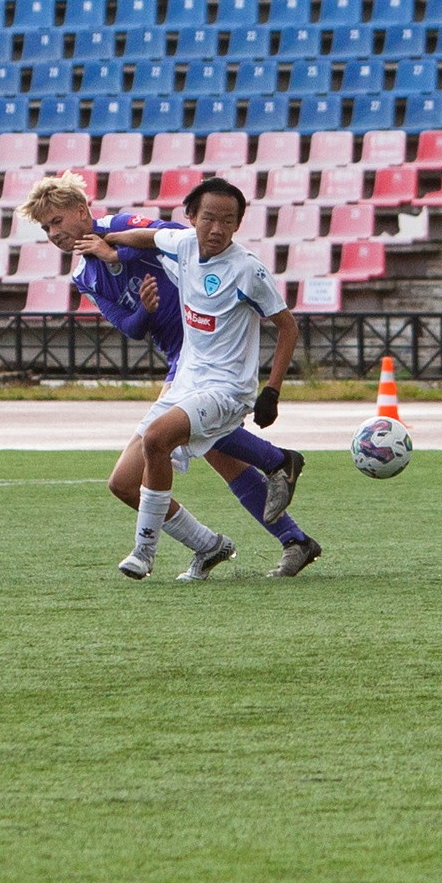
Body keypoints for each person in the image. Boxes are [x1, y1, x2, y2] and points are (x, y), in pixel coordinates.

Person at [24, 171, 322, 579]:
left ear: (80, 211)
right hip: (183, 362)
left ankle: (285, 519)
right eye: (46, 228)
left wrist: (116, 253)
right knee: (132, 481)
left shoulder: (122, 227)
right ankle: (217, 543)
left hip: (206, 352)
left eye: (57, 221)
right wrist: (144, 309)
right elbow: (130, 327)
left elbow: (179, 235)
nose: (53, 233)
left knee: (190, 447)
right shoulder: (82, 276)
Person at [91, 176, 299, 582]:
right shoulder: (183, 243)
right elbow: (145, 237)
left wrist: (272, 390)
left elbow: (287, 327)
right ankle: (262, 483)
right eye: (208, 218)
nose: (217, 229)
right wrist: (109, 243)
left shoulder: (247, 269)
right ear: (190, 218)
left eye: (227, 220)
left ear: (238, 225)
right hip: (188, 379)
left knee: (157, 438)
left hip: (228, 388)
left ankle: (144, 552)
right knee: (123, 479)